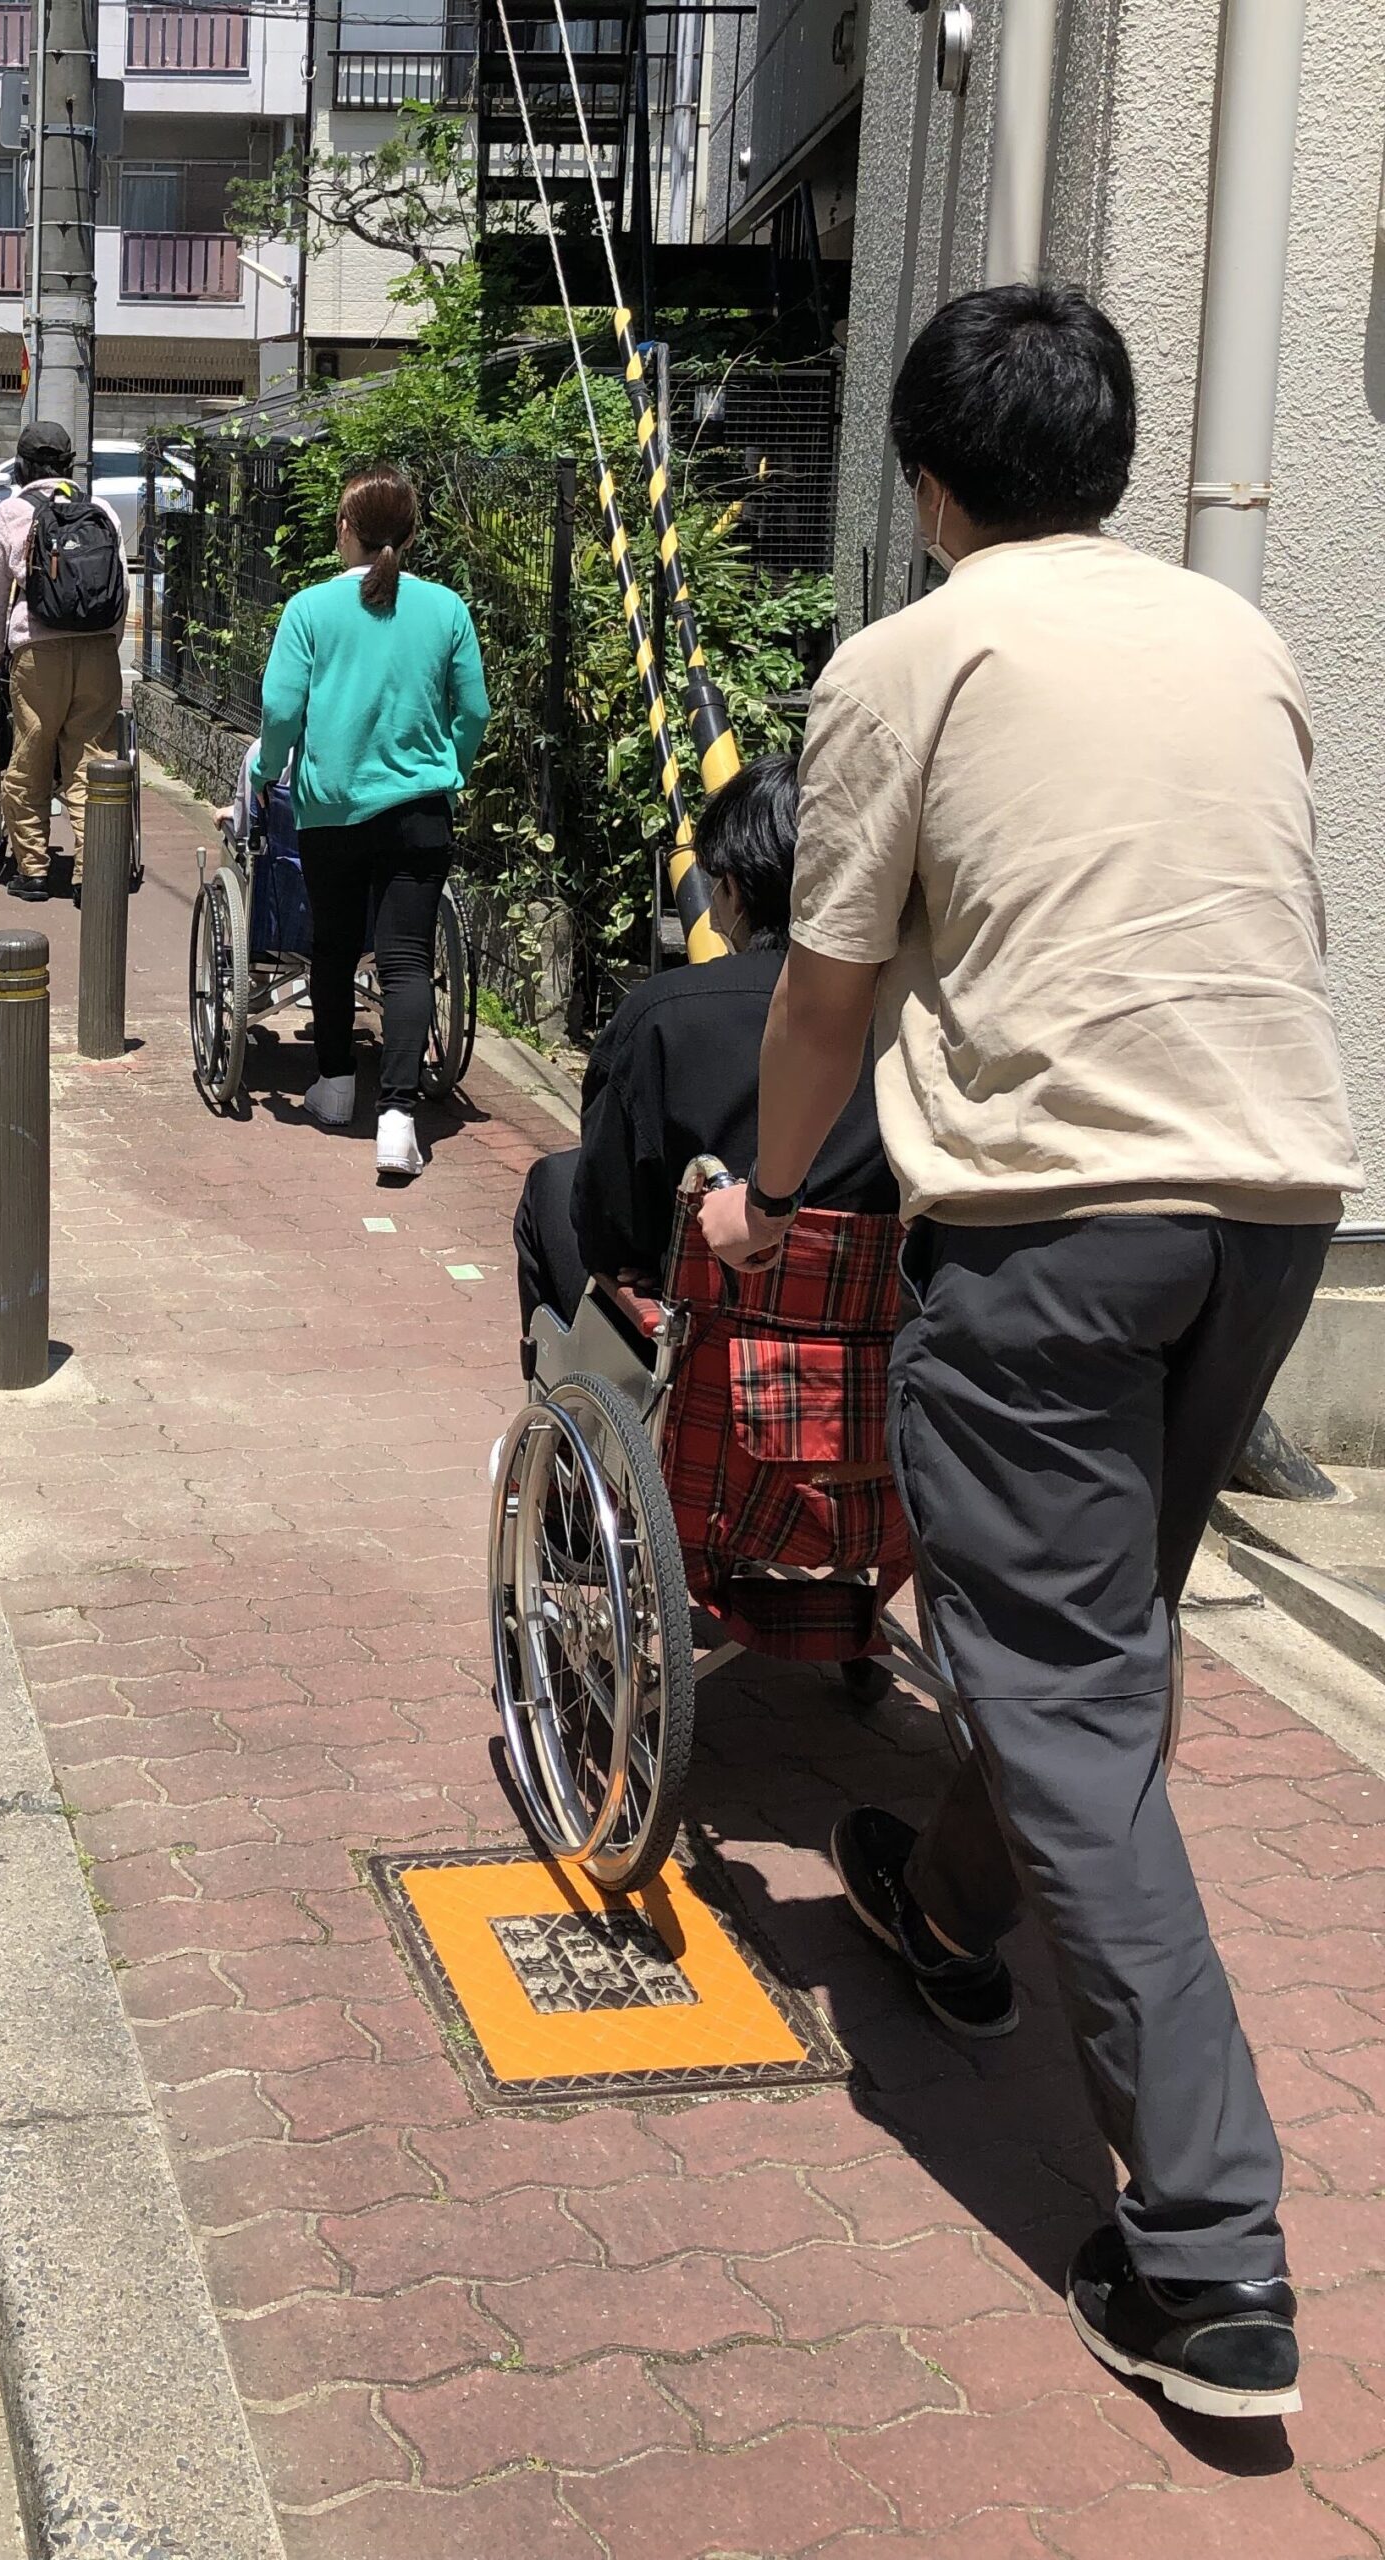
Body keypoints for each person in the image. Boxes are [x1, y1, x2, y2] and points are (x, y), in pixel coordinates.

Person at [703, 282, 1360, 2422]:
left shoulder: (909, 655)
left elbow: (821, 988)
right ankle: (936, 1882)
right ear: (1112, 455)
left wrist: (764, 1194)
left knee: (1076, 1715)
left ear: (923, 479)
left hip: (1052, 1236)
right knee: (1085, 1657)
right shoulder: (1234, 635)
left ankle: (1203, 2256)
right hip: (1267, 1213)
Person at [513, 751, 897, 1345]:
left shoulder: (665, 1014)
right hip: (873, 1330)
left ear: (736, 891)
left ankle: (556, 1408)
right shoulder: (914, 1015)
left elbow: (612, 1231)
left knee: (553, 1183)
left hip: (697, 1336)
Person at [254, 463, 489, 1179]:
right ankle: (397, 1116)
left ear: (346, 529)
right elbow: (474, 710)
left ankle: (332, 1087)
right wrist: (454, 768)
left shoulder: (308, 610)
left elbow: (281, 714)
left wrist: (266, 774)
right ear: (411, 534)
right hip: (420, 811)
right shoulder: (445, 608)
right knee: (407, 959)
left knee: (332, 946)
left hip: (333, 811)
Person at [0, 420, 125, 901]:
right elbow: (121, 587)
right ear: (68, 466)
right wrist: (109, 641)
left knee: (31, 754)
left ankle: (33, 869)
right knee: (91, 757)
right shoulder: (100, 511)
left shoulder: (12, 512)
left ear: (21, 466)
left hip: (38, 651)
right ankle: (91, 869)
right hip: (99, 649)